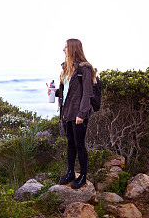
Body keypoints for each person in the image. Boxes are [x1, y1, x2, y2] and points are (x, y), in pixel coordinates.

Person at [47, 38, 97, 189]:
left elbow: (87, 93)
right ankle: (70, 172)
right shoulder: (66, 68)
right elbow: (66, 91)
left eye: (65, 47)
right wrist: (55, 92)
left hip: (78, 114)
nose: (63, 50)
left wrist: (82, 114)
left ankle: (82, 176)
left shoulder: (84, 69)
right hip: (66, 112)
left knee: (79, 145)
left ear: (73, 49)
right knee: (70, 143)